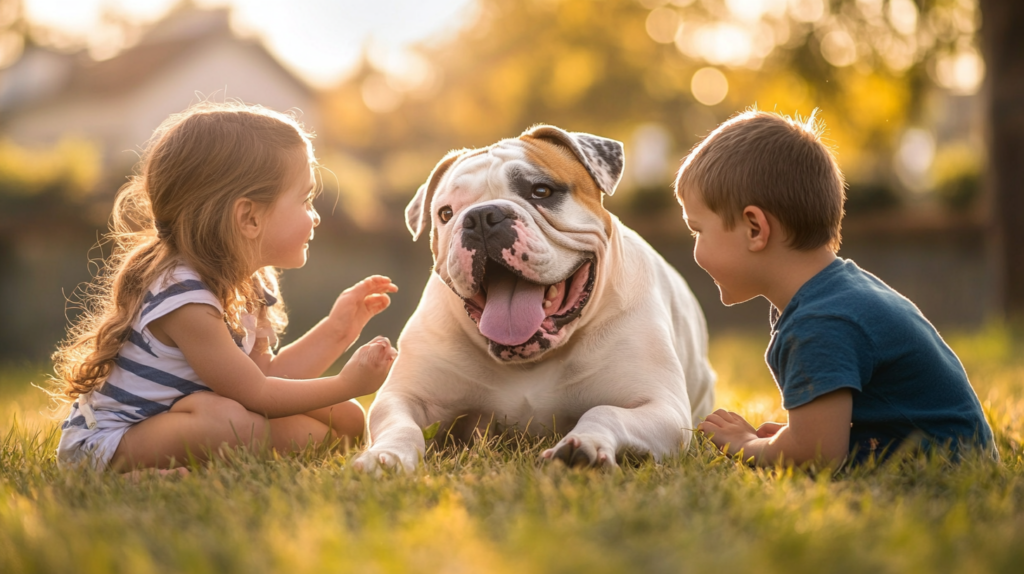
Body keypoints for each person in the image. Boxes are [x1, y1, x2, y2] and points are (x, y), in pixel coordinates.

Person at [53, 101, 399, 472]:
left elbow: (266, 375)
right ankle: (131, 474)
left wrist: (338, 329)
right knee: (222, 417)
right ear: (248, 217)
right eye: (305, 199)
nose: (314, 216)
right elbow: (256, 393)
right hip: (111, 442)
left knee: (346, 419)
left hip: (198, 417)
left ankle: (259, 448)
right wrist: (348, 383)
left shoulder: (252, 283)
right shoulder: (184, 295)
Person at [676, 108, 995, 466]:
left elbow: (817, 456)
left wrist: (746, 444)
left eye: (698, 230)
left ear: (755, 229)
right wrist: (791, 434)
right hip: (948, 451)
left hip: (947, 465)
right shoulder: (837, 293)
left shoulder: (821, 321)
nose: (695, 250)